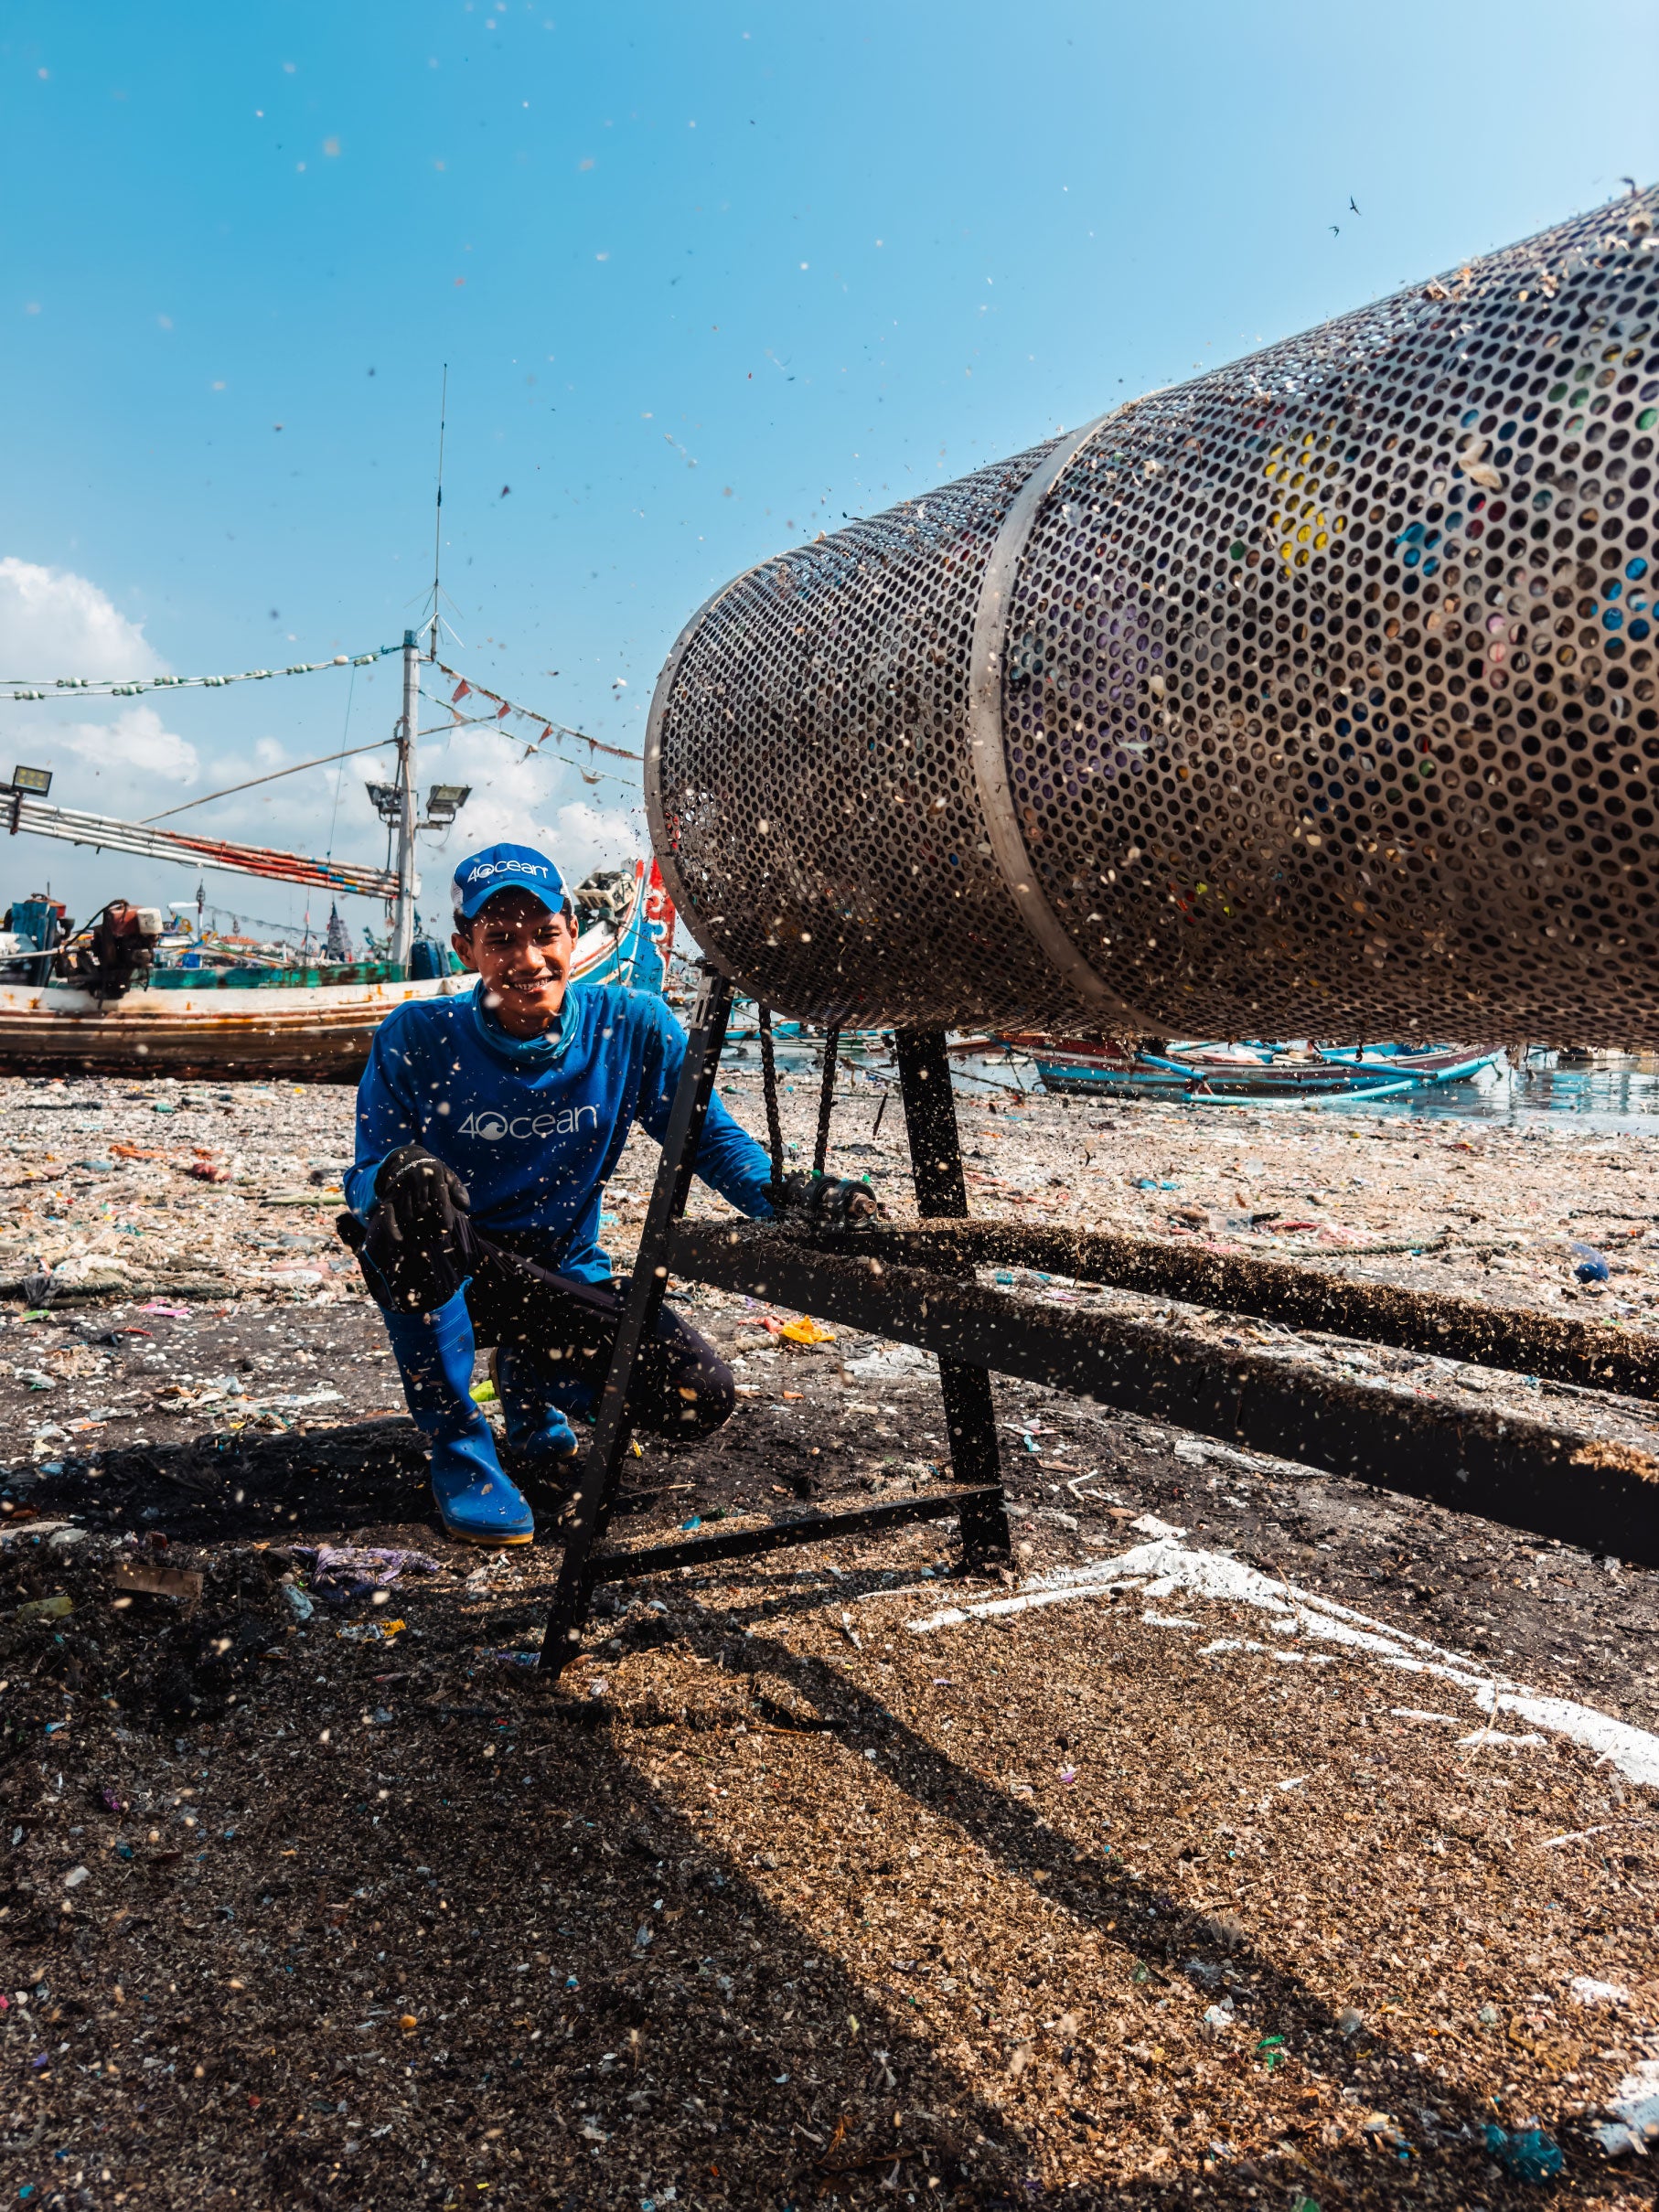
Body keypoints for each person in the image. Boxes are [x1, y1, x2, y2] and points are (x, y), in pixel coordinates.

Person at [340, 842, 873, 1545]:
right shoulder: (417, 1036)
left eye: (544, 934)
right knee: (404, 1217)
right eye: (500, 940)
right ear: (466, 948)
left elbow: (708, 1140)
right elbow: (364, 1173)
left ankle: (533, 1383)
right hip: (458, 1270)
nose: (527, 960)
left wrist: (790, 1196)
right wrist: (403, 1170)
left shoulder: (630, 1026)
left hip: (560, 1276)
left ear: (571, 932)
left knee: (695, 1394)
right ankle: (461, 1448)